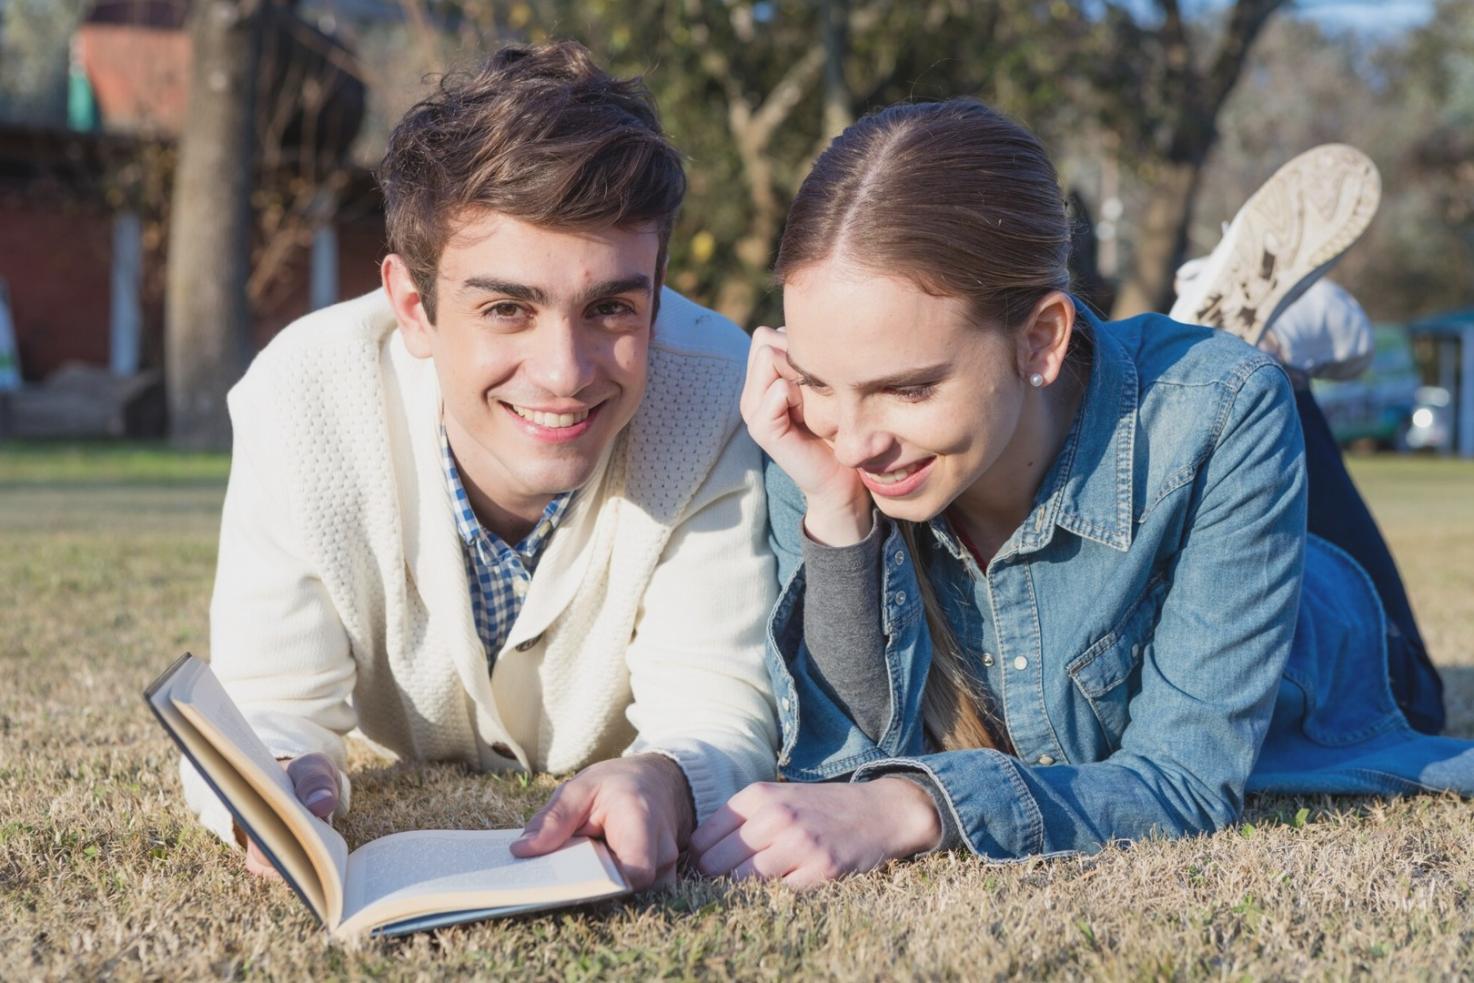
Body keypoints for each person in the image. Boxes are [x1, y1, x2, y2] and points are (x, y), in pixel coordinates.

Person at [688, 101, 1474, 886]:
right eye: (822, 381)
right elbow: (835, 772)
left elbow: (1183, 780)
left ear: (1040, 339)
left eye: (909, 388)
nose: (856, 442)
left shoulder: (1224, 414)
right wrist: (838, 518)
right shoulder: (817, 444)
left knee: (1239, 393)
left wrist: (915, 803)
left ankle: (1267, 354)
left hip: (1334, 648)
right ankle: (1219, 346)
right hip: (1096, 409)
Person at [181, 41, 779, 891]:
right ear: (413, 306)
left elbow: (720, 707)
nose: (564, 372)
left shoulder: (717, 392)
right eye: (506, 308)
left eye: (612, 307)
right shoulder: (300, 397)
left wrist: (668, 779)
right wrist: (272, 775)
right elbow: (267, 702)